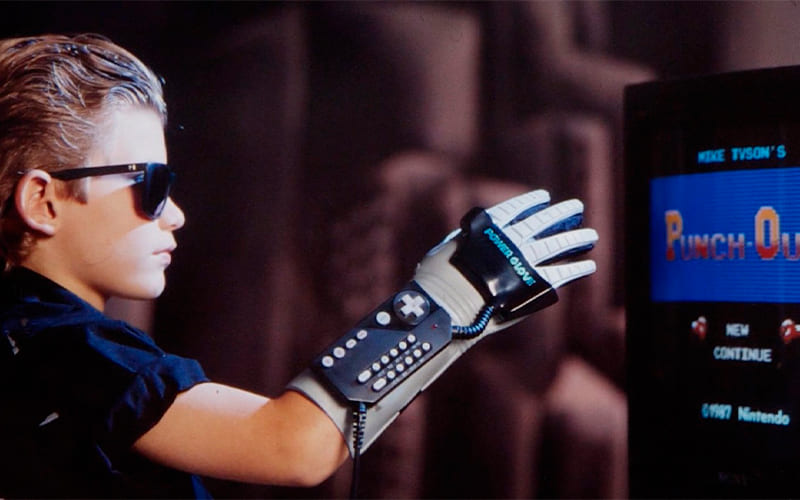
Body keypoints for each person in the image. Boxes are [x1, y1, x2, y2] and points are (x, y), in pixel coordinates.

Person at [0, 33, 597, 498]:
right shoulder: (67, 353)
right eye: (150, 186)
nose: (175, 215)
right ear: (43, 201)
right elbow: (291, 447)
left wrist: (455, 323)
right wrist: (449, 298)